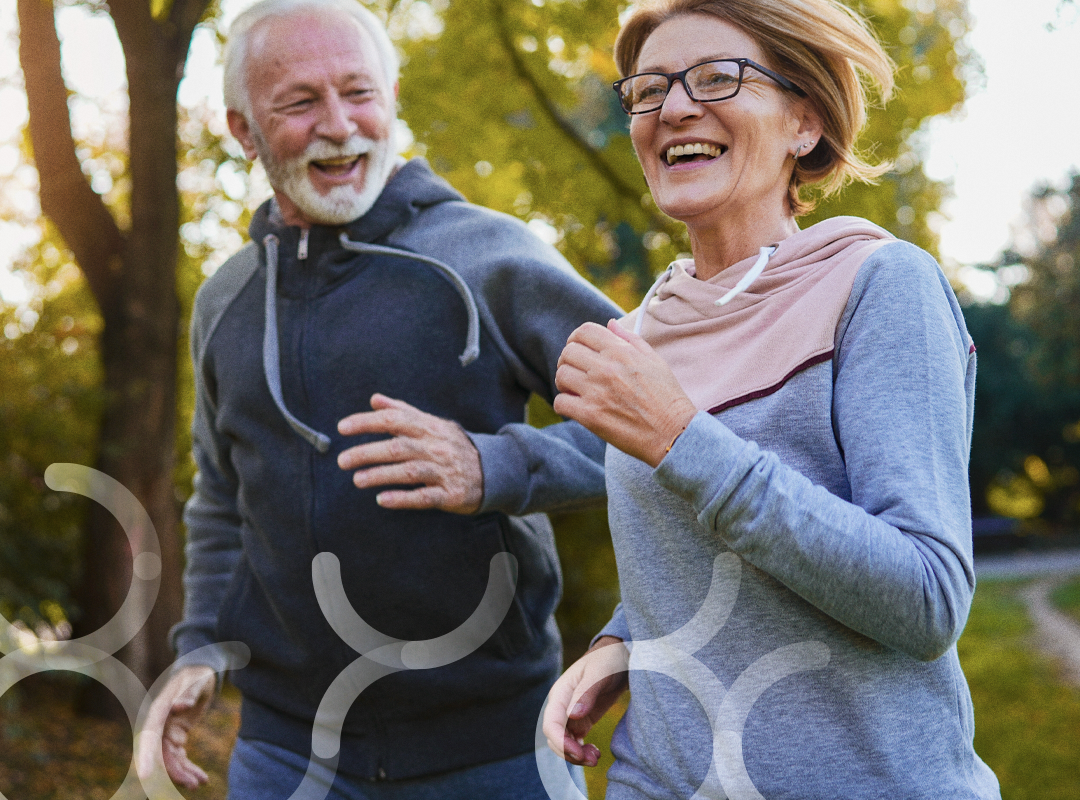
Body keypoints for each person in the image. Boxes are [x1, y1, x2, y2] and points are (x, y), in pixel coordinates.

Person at [133, 0, 620, 797]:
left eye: (359, 93)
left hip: (494, 750)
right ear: (242, 130)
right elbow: (222, 500)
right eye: (299, 102)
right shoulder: (225, 301)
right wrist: (200, 650)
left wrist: (495, 465)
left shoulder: (488, 255)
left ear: (392, 99)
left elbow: (662, 425)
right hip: (287, 755)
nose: (339, 124)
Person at [542, 0, 1002, 798]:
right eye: (648, 90)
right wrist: (621, 642)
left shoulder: (879, 286)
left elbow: (925, 599)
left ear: (806, 123)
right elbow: (691, 557)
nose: (675, 107)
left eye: (719, 78)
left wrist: (684, 438)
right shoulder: (640, 334)